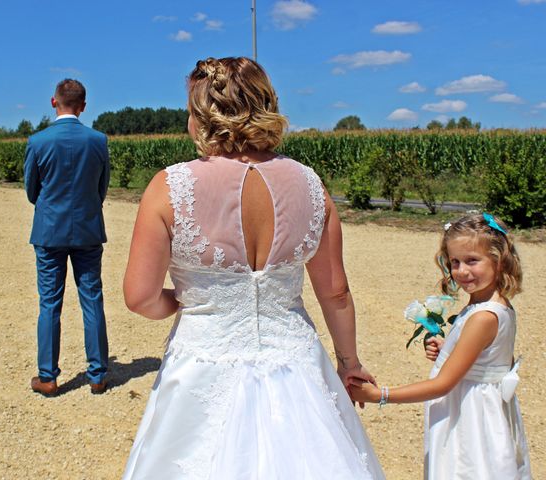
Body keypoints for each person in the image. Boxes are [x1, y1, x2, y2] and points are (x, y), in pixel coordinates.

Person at [121, 57, 384, 479]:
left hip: (204, 363)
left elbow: (139, 297)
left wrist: (181, 301)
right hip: (295, 362)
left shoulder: (169, 187)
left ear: (203, 115)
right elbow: (335, 291)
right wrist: (348, 361)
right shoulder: (310, 184)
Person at [350, 213, 532, 479]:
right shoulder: (495, 304)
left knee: (467, 469)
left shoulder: (483, 316)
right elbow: (495, 357)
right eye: (455, 262)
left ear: (499, 259)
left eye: (472, 260)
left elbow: (443, 384)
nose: (461, 271)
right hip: (482, 409)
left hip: (472, 416)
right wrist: (452, 348)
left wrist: (380, 395)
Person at [24, 79, 110, 396]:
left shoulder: (38, 141)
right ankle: (98, 374)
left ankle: (48, 377)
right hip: (88, 229)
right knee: (92, 301)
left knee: (49, 304)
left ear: (53, 102)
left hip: (49, 231)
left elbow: (32, 190)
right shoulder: (98, 141)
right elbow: (102, 188)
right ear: (83, 106)